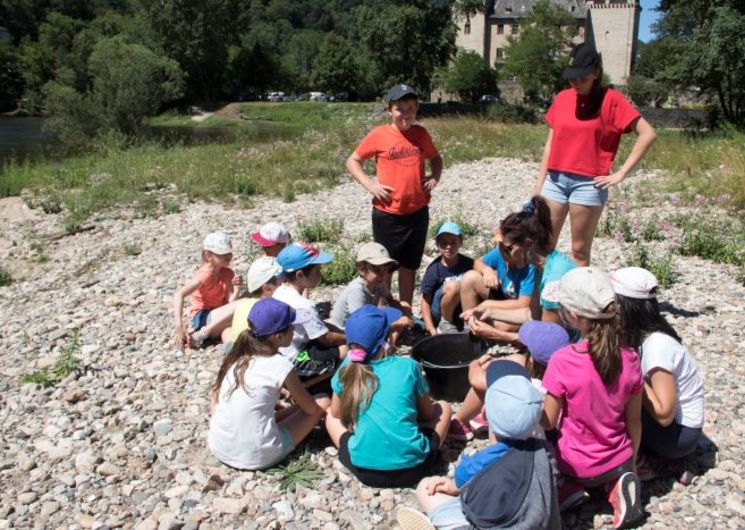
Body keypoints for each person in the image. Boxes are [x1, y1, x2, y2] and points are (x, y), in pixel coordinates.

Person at [398, 359, 560, 530]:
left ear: (484, 413)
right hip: (541, 524)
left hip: (492, 524)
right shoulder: (546, 450)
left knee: (426, 488)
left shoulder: (478, 465)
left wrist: (453, 486)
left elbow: (459, 485)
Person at [534, 42, 656, 266]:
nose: (576, 82)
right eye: (572, 77)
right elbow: (550, 144)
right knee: (542, 245)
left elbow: (647, 133)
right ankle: (538, 300)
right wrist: (539, 186)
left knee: (579, 250)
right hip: (555, 180)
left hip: (589, 184)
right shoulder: (562, 98)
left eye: (582, 77)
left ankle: (576, 300)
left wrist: (620, 174)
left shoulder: (612, 99)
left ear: (596, 73)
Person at [541, 267, 644, 529]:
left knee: (544, 439)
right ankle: (618, 483)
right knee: (615, 467)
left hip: (576, 464)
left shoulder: (562, 360)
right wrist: (630, 461)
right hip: (618, 458)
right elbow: (634, 421)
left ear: (573, 317)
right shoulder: (631, 358)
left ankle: (570, 487)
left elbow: (549, 421)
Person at [325, 305, 451, 488]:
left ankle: (367, 442)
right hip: (415, 469)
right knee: (444, 407)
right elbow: (427, 416)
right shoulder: (408, 366)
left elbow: (337, 414)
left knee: (329, 415)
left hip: (365, 471)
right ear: (388, 337)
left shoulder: (346, 369)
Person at [346, 84, 443, 311]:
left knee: (409, 266)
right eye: (400, 108)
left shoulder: (421, 134)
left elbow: (436, 158)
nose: (406, 114)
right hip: (388, 214)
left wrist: (434, 177)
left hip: (417, 212)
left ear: (416, 109)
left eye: (410, 108)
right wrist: (371, 185)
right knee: (384, 269)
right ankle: (386, 312)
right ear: (390, 110)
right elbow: (353, 161)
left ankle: (406, 311)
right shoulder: (379, 134)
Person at [208, 298, 330, 470]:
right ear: (279, 336)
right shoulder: (281, 365)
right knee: (322, 401)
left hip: (220, 445)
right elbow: (311, 409)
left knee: (279, 411)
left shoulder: (240, 357)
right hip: (257, 455)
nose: (295, 329)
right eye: (292, 327)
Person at [611, 267, 704, 469]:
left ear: (624, 307)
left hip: (679, 435)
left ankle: (630, 458)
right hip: (678, 429)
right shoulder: (648, 330)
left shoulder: (656, 346)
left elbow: (664, 413)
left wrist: (630, 372)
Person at [460, 196, 576, 334]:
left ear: (527, 244)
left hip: (572, 345)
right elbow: (531, 315)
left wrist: (499, 335)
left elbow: (547, 337)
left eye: (508, 248)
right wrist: (488, 311)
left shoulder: (553, 280)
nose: (504, 253)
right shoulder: (543, 267)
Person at [447, 321, 570, 443]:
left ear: (531, 357)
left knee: (491, 381)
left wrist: (474, 365)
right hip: (552, 435)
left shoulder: (532, 385)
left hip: (525, 436)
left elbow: (477, 381)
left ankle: (459, 423)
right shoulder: (565, 379)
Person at [458, 211, 538, 341]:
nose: (500, 248)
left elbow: (523, 304)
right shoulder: (501, 253)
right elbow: (477, 263)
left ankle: (488, 335)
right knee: (469, 278)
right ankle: (471, 329)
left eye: (504, 246)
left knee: (502, 326)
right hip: (503, 296)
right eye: (499, 244)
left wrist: (488, 305)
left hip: (520, 310)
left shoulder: (531, 268)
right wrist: (487, 270)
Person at [273, 243, 346, 381]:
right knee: (345, 349)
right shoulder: (303, 305)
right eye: (317, 271)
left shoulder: (280, 291)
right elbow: (326, 339)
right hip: (295, 359)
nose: (320, 275)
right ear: (300, 275)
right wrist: (351, 336)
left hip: (282, 352)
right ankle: (311, 384)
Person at [173, 231, 243, 349]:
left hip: (219, 315)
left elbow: (230, 302)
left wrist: (237, 288)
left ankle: (231, 349)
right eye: (222, 254)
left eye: (229, 253)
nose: (228, 257)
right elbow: (179, 294)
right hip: (203, 316)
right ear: (208, 256)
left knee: (228, 330)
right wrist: (179, 324)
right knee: (245, 303)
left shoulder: (227, 273)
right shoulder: (204, 275)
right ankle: (203, 333)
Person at [328, 242, 402, 330]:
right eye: (376, 270)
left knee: (403, 308)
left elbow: (390, 301)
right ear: (362, 270)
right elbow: (361, 322)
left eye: (385, 270)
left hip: (363, 322)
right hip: (344, 331)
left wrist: (399, 313)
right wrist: (395, 324)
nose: (382, 275)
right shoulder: (357, 290)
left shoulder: (379, 283)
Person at [420, 222, 474, 336]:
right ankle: (445, 324)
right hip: (439, 312)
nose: (449, 247)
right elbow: (425, 302)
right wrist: (430, 328)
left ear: (460, 243)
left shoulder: (468, 263)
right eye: (444, 243)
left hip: (461, 309)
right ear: (438, 244)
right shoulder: (434, 270)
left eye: (453, 242)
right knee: (454, 285)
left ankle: (468, 322)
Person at [226, 256, 283, 346]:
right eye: (281, 282)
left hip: (235, 348)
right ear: (268, 289)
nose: (284, 285)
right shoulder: (270, 308)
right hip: (255, 352)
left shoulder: (243, 304)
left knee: (226, 331)